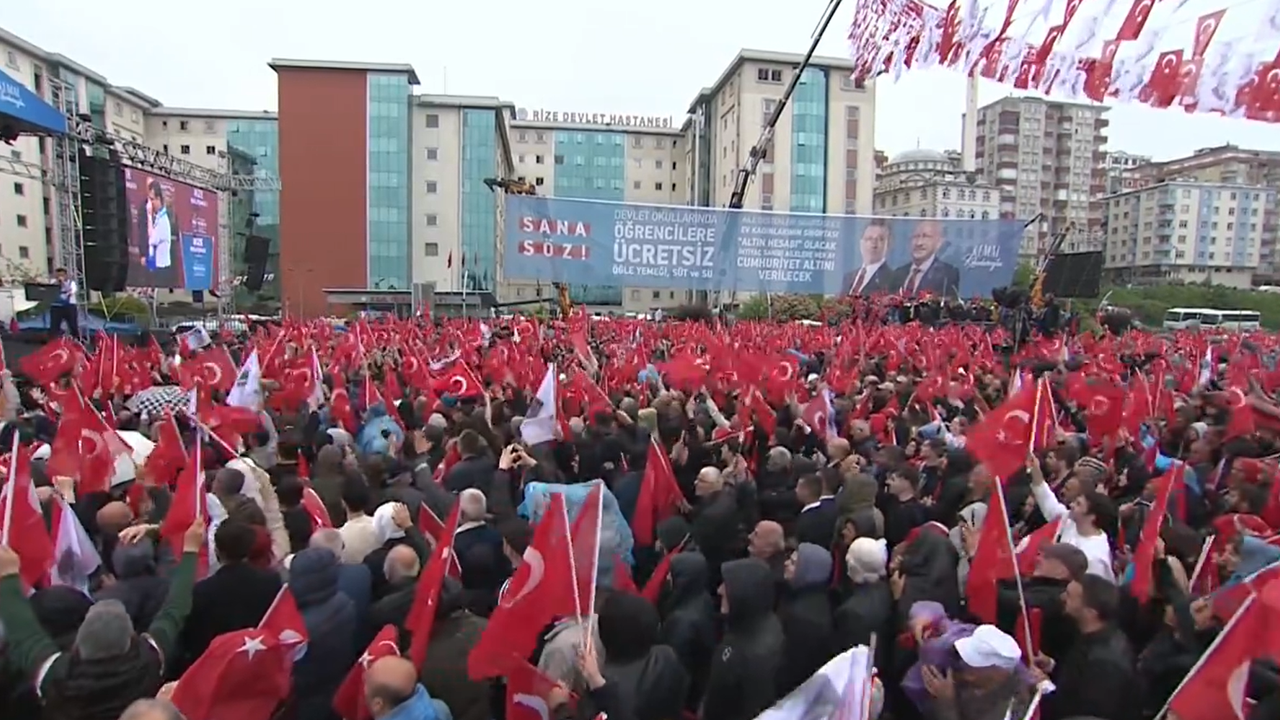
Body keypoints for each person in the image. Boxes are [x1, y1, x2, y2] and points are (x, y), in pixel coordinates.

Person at [0, 519, 204, 720]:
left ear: (77, 646)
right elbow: (174, 609)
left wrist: (8, 577)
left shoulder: (57, 676)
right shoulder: (148, 660)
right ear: (131, 638)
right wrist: (190, 552)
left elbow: (25, 635)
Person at [894, 219, 960, 298]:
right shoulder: (898, 273)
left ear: (939, 242)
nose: (919, 243)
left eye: (926, 236)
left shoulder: (947, 274)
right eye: (915, 236)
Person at [842, 220, 896, 296]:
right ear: (861, 243)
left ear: (889, 244)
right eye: (869, 238)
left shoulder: (893, 280)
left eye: (880, 239)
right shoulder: (848, 277)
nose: (874, 243)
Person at [51, 266, 79, 339]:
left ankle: (76, 340)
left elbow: (71, 291)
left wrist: (63, 282)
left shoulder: (71, 283)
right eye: (58, 275)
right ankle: (54, 341)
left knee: (73, 325)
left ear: (66, 275)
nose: (59, 277)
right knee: (54, 326)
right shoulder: (53, 282)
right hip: (56, 306)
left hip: (69, 306)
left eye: (62, 275)